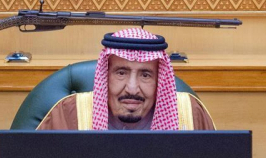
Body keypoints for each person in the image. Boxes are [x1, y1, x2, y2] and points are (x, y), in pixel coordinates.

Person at [36, 28, 215, 130]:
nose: (132, 88)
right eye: (121, 73)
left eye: (145, 75)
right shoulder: (70, 113)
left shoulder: (189, 113)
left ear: (159, 80)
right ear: (105, 76)